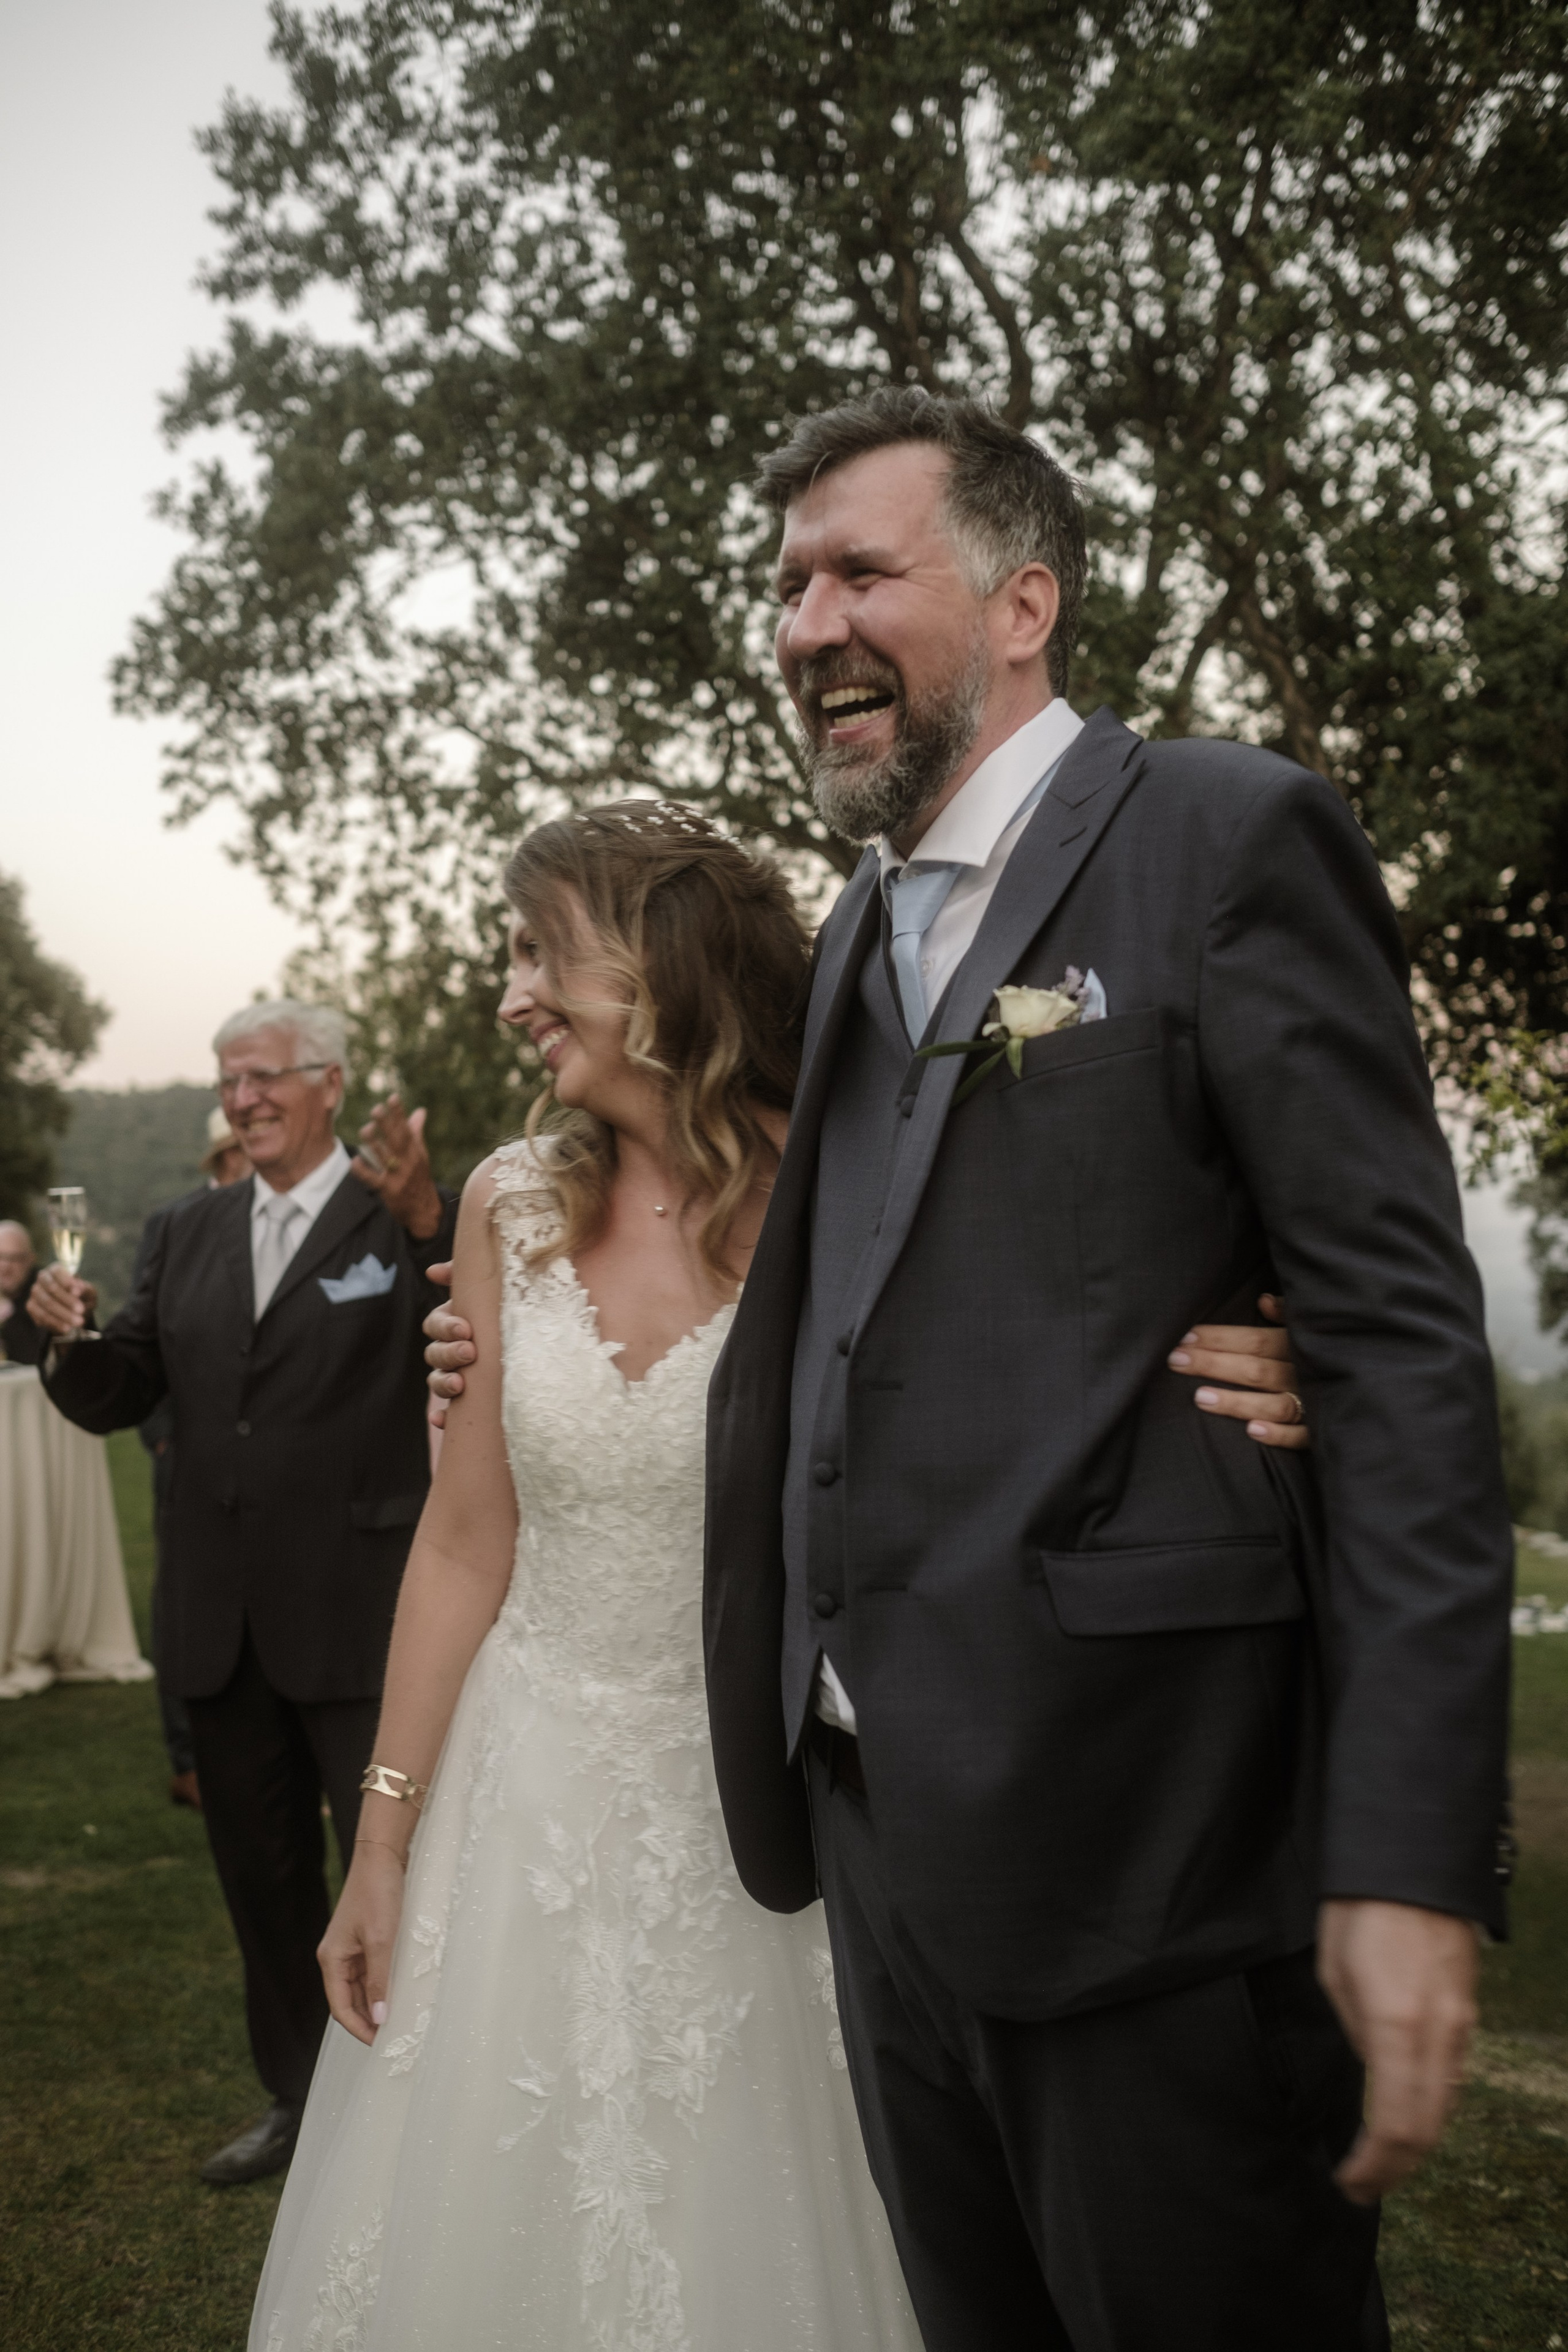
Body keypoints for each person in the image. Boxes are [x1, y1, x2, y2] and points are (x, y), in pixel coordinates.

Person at [252, 810, 1311, 2350]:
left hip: (781, 1813)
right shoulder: (506, 1208)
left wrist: (1286, 1355)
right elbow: (466, 1537)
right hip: (521, 1795)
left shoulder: (854, 1203)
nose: (508, 994)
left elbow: (1051, 1355)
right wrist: (385, 1836)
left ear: (666, 963)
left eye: (541, 949)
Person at [690, 390, 1511, 2350]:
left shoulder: (1227, 837)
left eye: (860, 571)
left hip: (1157, 1847)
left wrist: (1403, 1852)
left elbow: (1396, 1351)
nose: (806, 621)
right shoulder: (847, 936)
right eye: (789, 581)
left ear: (1024, 599)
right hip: (886, 1835)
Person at [28, 1001, 458, 2188]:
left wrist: (431, 1216)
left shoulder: (398, 1210)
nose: (243, 1099)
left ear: (326, 1082)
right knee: (262, 1883)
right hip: (218, 1624)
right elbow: (129, 1388)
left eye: (263, 1078)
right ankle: (300, 2098)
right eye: (228, 1081)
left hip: (363, 1613)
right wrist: (67, 1342)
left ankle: (422, 2102)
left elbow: (472, 1328)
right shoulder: (184, 1227)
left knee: (404, 1873)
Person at [135, 1106, 255, 1811]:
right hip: (184, 1448)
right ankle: (188, 1759)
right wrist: (161, 1432)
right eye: (234, 1152)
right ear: (220, 1161)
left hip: (268, 1458)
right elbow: (141, 1334)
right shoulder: (173, 1223)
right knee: (182, 1601)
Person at [0, 1218, 44, 1363]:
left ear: (31, 1260)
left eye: (14, 1259)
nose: (5, 1267)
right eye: (0, 1257)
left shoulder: (44, 1300)